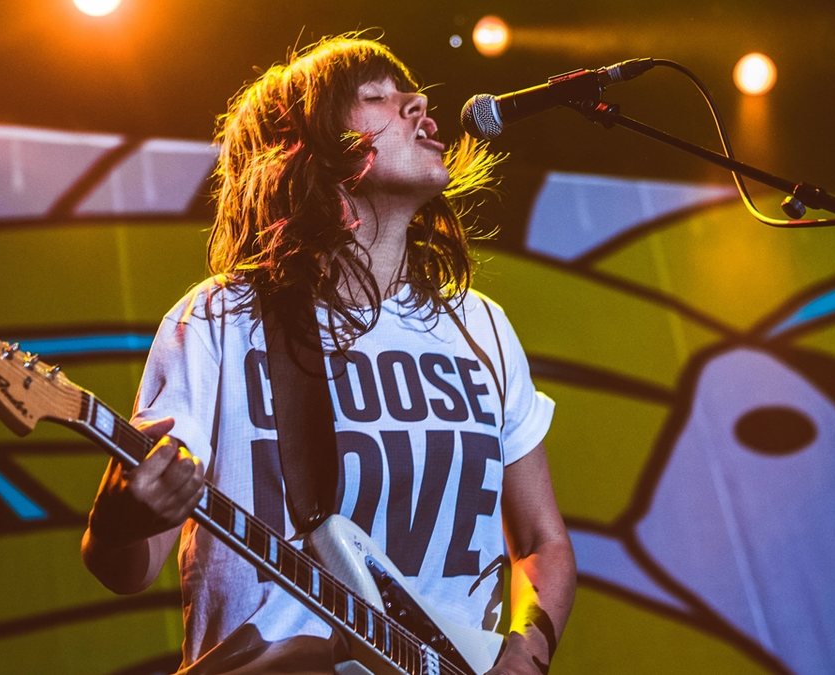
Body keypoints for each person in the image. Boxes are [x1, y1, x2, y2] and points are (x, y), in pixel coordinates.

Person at [81, 34, 576, 674]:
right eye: (376, 97)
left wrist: (527, 655)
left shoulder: (481, 326)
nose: (418, 103)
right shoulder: (222, 319)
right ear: (309, 150)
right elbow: (128, 567)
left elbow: (542, 541)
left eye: (411, 94)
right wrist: (122, 517)